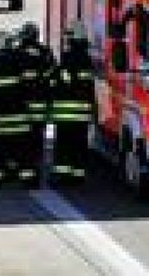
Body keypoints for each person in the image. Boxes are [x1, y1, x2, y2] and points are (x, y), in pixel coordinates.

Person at [48, 22, 95, 186]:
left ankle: (62, 176)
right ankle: (78, 175)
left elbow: (60, 81)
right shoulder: (88, 60)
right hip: (82, 112)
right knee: (79, 144)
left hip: (65, 111)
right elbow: (87, 86)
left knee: (63, 144)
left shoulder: (67, 58)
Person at [0, 28, 30, 188]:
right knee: (21, 148)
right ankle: (25, 177)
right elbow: (24, 65)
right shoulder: (17, 58)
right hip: (17, 114)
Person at [16, 21, 55, 187]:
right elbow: (53, 74)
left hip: (21, 105)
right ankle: (35, 175)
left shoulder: (17, 52)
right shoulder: (45, 52)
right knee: (37, 141)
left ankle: (25, 175)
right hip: (40, 105)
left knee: (23, 141)